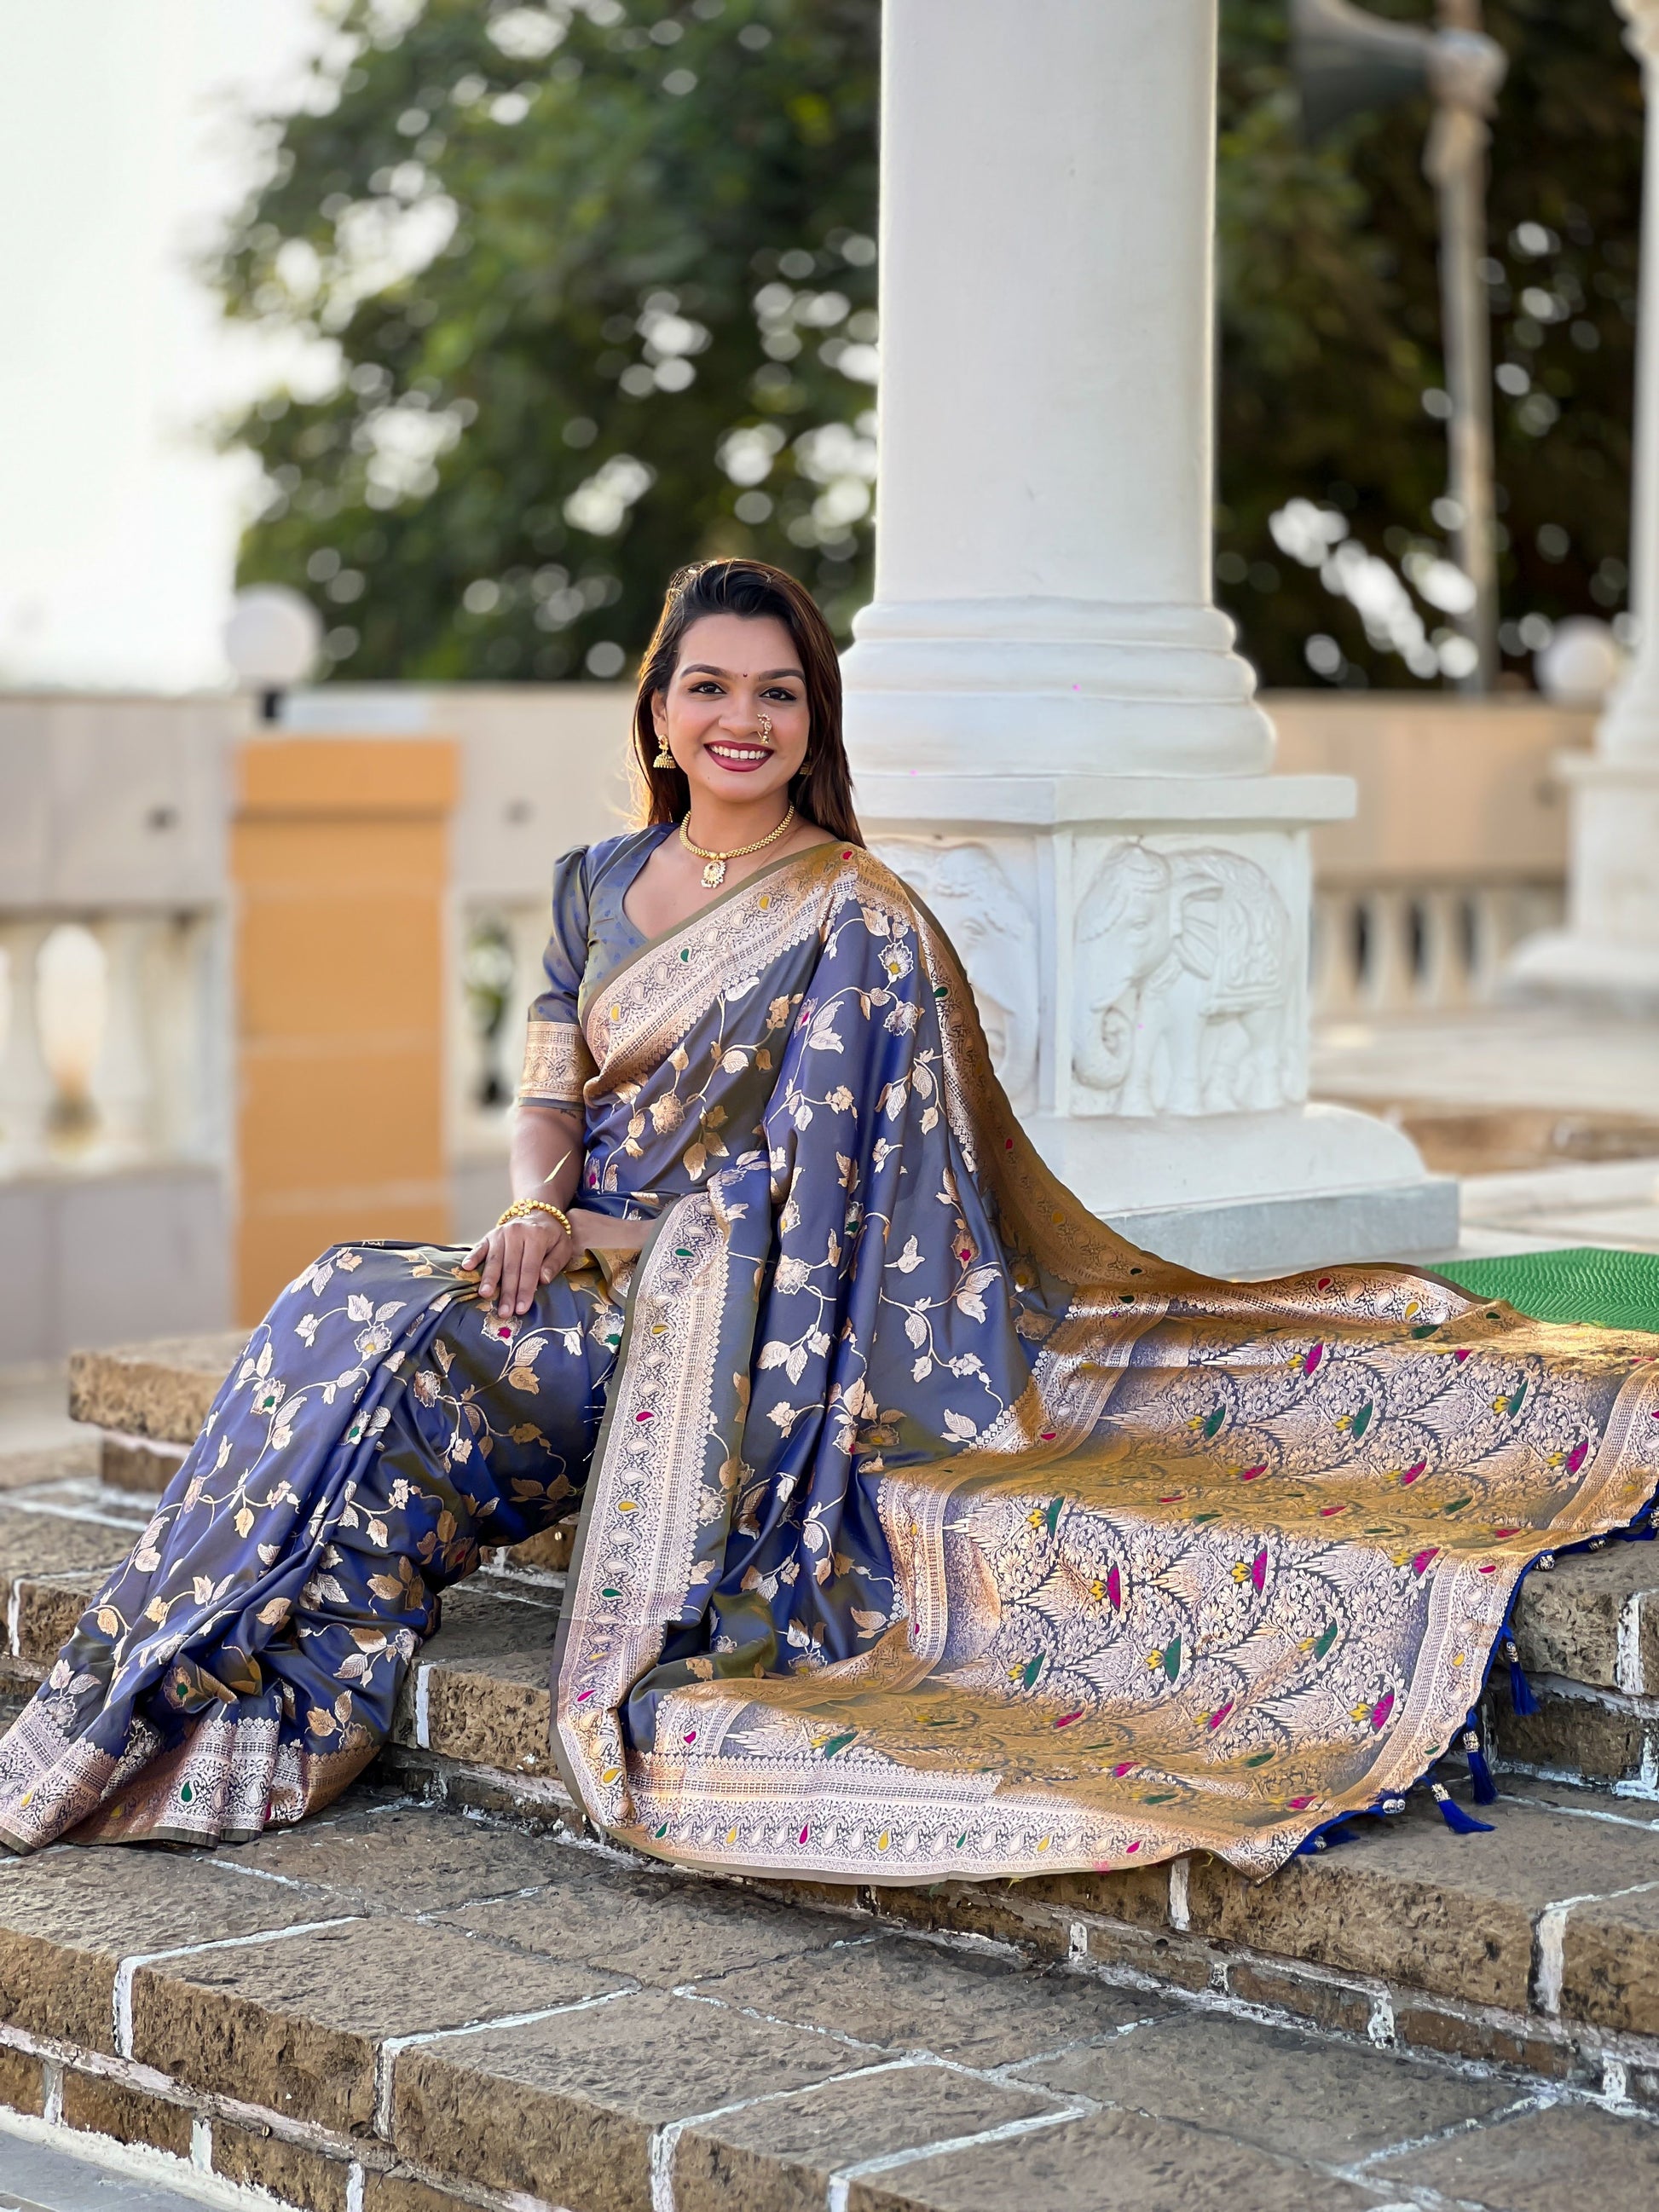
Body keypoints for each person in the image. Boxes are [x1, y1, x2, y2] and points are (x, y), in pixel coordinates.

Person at [4, 559, 1656, 1880]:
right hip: (570, 1268)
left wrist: (606, 1245)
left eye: (776, 692)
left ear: (813, 722)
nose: (741, 718)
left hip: (716, 1329)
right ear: (659, 710)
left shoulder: (859, 917)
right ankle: (218, 1671)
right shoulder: (592, 884)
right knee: (345, 1294)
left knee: (411, 1342)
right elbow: (549, 1093)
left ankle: (273, 1702)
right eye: (709, 686)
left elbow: (829, 1203)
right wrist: (533, 1205)